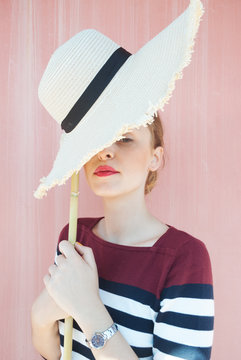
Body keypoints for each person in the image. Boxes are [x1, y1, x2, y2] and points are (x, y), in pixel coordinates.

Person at [31, 112, 214, 360]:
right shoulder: (75, 235)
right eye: (97, 138)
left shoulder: (183, 257)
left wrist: (87, 307)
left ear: (155, 157)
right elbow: (58, 353)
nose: (104, 151)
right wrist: (39, 317)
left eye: (125, 138)